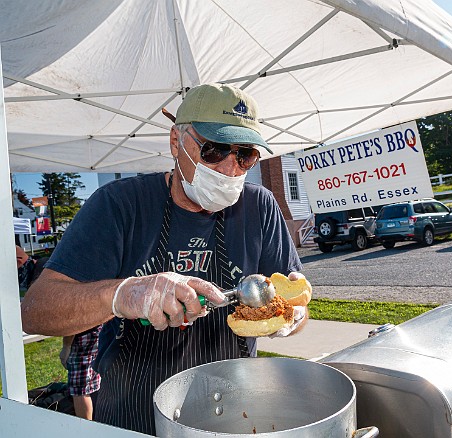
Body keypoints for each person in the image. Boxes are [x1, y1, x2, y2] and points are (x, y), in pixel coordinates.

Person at [21, 83, 306, 435]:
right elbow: (36, 311)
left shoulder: (260, 206)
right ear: (176, 143)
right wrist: (122, 294)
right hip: (134, 412)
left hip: (238, 409)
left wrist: (293, 316)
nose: (231, 168)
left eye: (245, 154)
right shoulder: (120, 206)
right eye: (215, 150)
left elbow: (292, 297)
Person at [60, 325, 102, 420]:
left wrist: (66, 346)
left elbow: (72, 319)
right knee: (95, 380)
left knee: (80, 390)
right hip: (100, 330)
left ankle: (87, 431)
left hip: (83, 334)